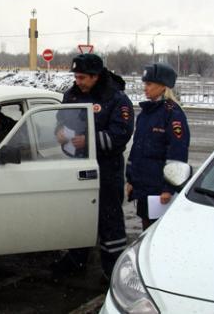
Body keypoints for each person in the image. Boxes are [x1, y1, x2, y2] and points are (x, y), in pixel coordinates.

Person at [52, 53, 134, 278]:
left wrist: (89, 141)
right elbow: (60, 119)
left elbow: (121, 134)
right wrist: (58, 132)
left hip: (106, 168)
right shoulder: (72, 95)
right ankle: (76, 261)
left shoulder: (116, 99)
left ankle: (113, 270)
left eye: (82, 78)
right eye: (76, 77)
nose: (78, 82)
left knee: (109, 219)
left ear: (96, 76)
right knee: (79, 215)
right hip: (76, 165)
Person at [126, 63, 190, 230]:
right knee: (145, 228)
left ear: (163, 86)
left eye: (149, 84)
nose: (144, 89)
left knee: (157, 231)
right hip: (143, 186)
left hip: (159, 189)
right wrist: (131, 179)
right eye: (144, 84)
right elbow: (137, 149)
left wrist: (169, 188)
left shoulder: (173, 114)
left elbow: (177, 153)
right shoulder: (146, 113)